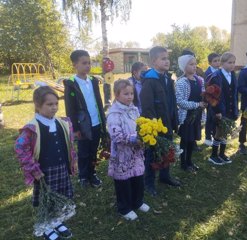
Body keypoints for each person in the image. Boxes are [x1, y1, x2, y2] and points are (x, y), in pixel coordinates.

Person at [15, 86, 77, 240]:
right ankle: (47, 227)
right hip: (44, 172)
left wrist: (73, 160)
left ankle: (56, 221)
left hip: (61, 167)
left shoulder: (62, 123)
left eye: (56, 103)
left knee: (59, 196)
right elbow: (20, 147)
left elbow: (70, 144)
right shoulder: (32, 128)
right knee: (47, 199)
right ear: (37, 105)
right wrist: (33, 169)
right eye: (49, 104)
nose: (54, 107)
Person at [140, 46, 181, 196]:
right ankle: (149, 183)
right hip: (155, 127)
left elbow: (171, 101)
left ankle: (165, 176)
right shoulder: (150, 81)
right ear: (153, 61)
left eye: (167, 58)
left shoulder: (167, 78)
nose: (167, 61)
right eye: (163, 58)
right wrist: (153, 128)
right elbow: (147, 107)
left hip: (167, 123)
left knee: (167, 150)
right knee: (152, 154)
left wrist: (174, 120)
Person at [106, 79, 150, 221]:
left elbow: (140, 126)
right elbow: (116, 135)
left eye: (131, 93)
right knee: (123, 182)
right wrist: (133, 139)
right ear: (117, 95)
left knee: (137, 177)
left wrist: (145, 136)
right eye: (126, 94)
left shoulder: (134, 109)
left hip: (136, 153)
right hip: (122, 155)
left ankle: (138, 201)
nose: (130, 96)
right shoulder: (114, 114)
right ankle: (124, 208)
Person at [64, 50, 107, 188]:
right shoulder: (71, 84)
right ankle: (83, 176)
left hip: (96, 123)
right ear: (75, 64)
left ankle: (92, 173)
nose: (88, 66)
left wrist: (103, 121)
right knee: (83, 152)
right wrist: (75, 128)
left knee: (93, 150)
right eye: (84, 63)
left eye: (89, 63)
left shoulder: (93, 81)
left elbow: (99, 102)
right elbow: (70, 108)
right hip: (83, 126)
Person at [176, 54, 207, 172]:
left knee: (192, 140)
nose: (194, 67)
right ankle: (183, 163)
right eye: (191, 64)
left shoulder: (200, 80)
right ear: (184, 67)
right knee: (185, 140)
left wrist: (206, 101)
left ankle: (189, 161)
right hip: (187, 117)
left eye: (195, 64)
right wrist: (196, 105)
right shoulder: (181, 82)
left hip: (197, 116)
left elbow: (204, 94)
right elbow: (180, 102)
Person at [207, 52, 239, 165]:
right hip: (220, 110)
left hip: (230, 109)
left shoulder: (233, 75)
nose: (232, 65)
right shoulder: (216, 76)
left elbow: (234, 93)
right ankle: (213, 155)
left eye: (233, 62)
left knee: (225, 131)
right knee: (219, 132)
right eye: (229, 62)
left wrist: (236, 109)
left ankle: (222, 153)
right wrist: (217, 111)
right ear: (222, 63)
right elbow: (212, 96)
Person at [204, 53, 220, 146]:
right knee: (209, 118)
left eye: (218, 61)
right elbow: (206, 87)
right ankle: (207, 136)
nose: (218, 63)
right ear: (210, 63)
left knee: (216, 118)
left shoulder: (220, 71)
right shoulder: (208, 73)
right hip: (210, 99)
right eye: (215, 61)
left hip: (218, 99)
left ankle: (215, 135)